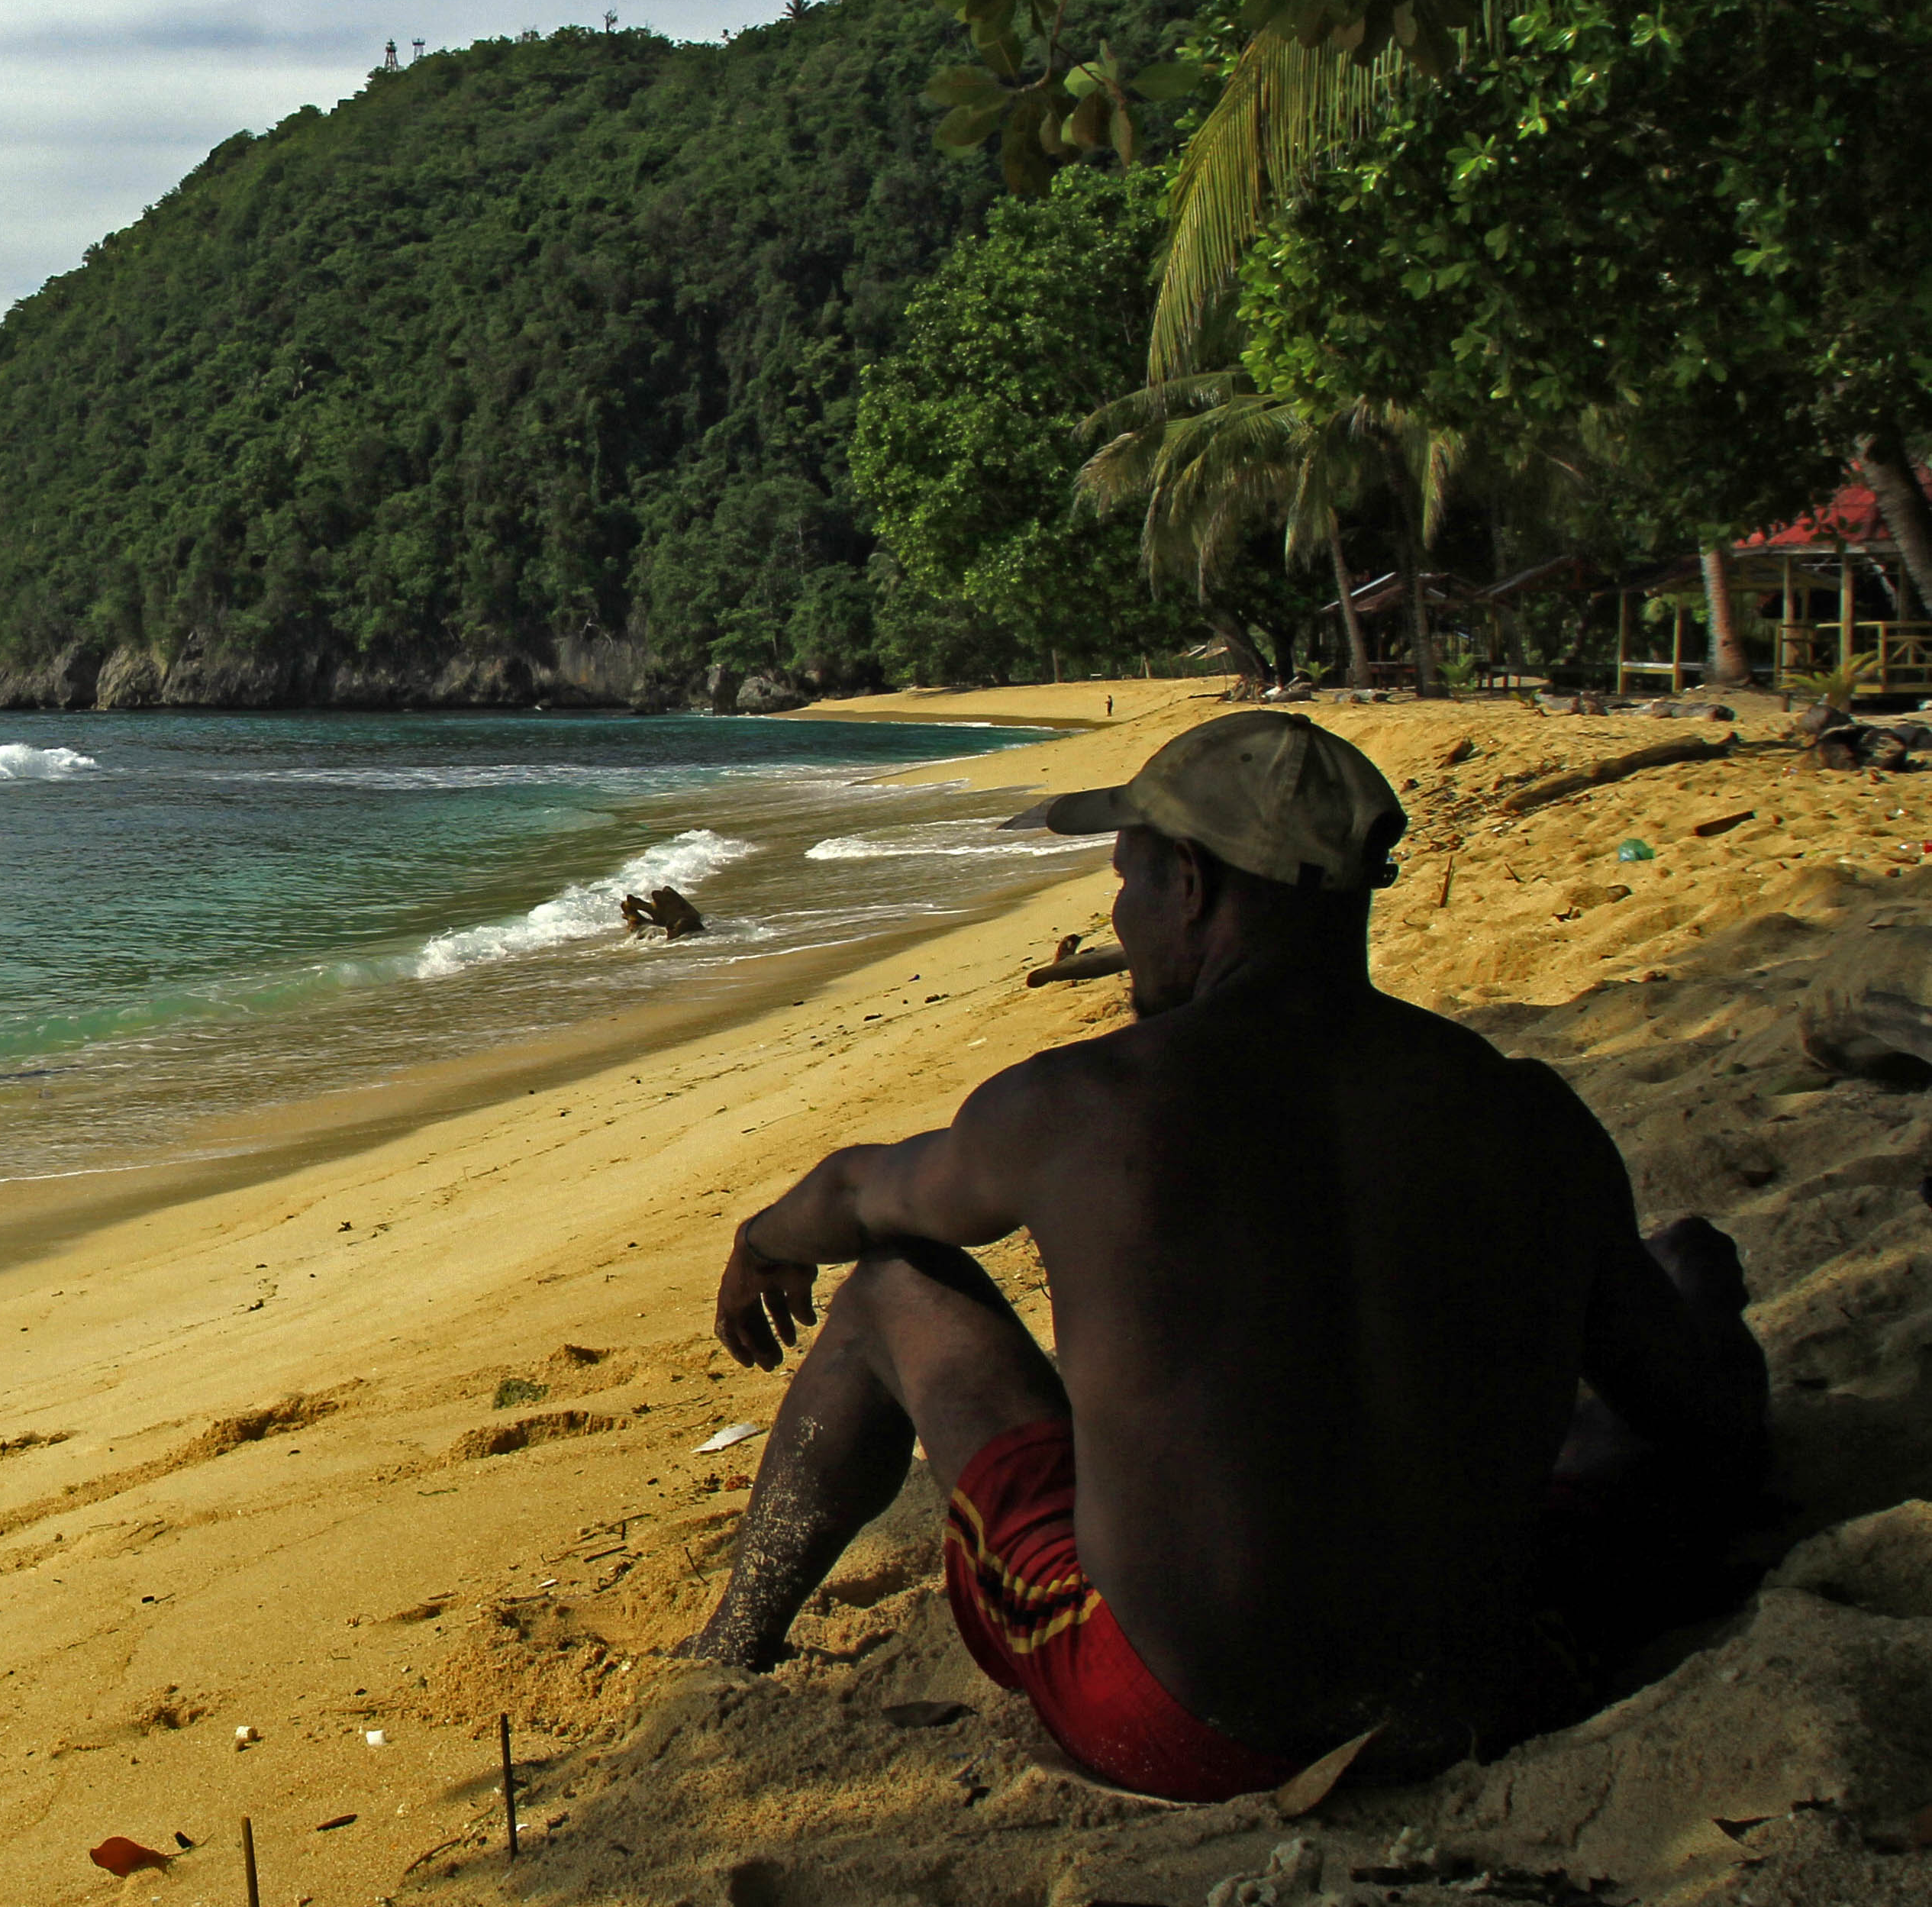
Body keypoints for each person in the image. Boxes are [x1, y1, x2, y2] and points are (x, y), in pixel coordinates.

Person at [679, 712, 1768, 1796]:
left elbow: (857, 1196)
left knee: (891, 1287)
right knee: (1674, 1275)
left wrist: (760, 1240)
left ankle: (729, 1647)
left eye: (1126, 878)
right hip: (1491, 1683)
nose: (1120, 913)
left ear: (1188, 884)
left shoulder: (1082, 1105)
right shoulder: (1527, 1113)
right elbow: (1693, 1419)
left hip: (1178, 1715)